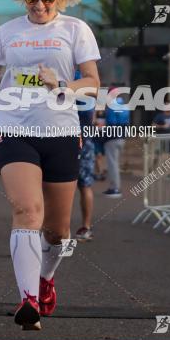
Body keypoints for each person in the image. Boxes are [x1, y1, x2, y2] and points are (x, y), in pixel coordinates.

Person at [0, 0, 100, 330]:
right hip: (15, 130)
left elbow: (92, 81)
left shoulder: (76, 30)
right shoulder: (8, 32)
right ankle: (28, 300)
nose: (40, 6)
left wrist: (60, 86)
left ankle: (45, 279)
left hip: (60, 132)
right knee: (27, 210)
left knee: (57, 232)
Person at [73, 71, 95, 242]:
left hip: (70, 139)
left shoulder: (68, 80)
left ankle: (53, 228)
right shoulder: (89, 84)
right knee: (84, 185)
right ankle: (86, 227)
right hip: (85, 140)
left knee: (51, 185)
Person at [102, 86, 130, 198]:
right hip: (121, 137)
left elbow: (111, 123)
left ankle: (115, 188)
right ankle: (113, 187)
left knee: (112, 164)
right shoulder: (125, 106)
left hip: (112, 138)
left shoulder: (111, 107)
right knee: (115, 163)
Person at [93, 109, 107, 180]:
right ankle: (100, 172)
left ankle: (101, 172)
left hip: (102, 136)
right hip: (98, 136)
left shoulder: (105, 113)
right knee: (98, 155)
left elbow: (93, 121)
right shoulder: (97, 112)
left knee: (100, 155)